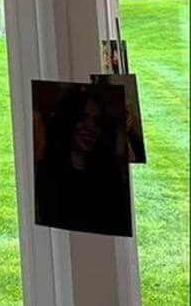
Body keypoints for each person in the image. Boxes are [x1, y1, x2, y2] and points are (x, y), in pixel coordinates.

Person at [35, 85, 130, 236]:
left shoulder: (109, 174)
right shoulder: (48, 172)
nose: (90, 127)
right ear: (68, 121)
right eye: (82, 118)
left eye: (96, 121)